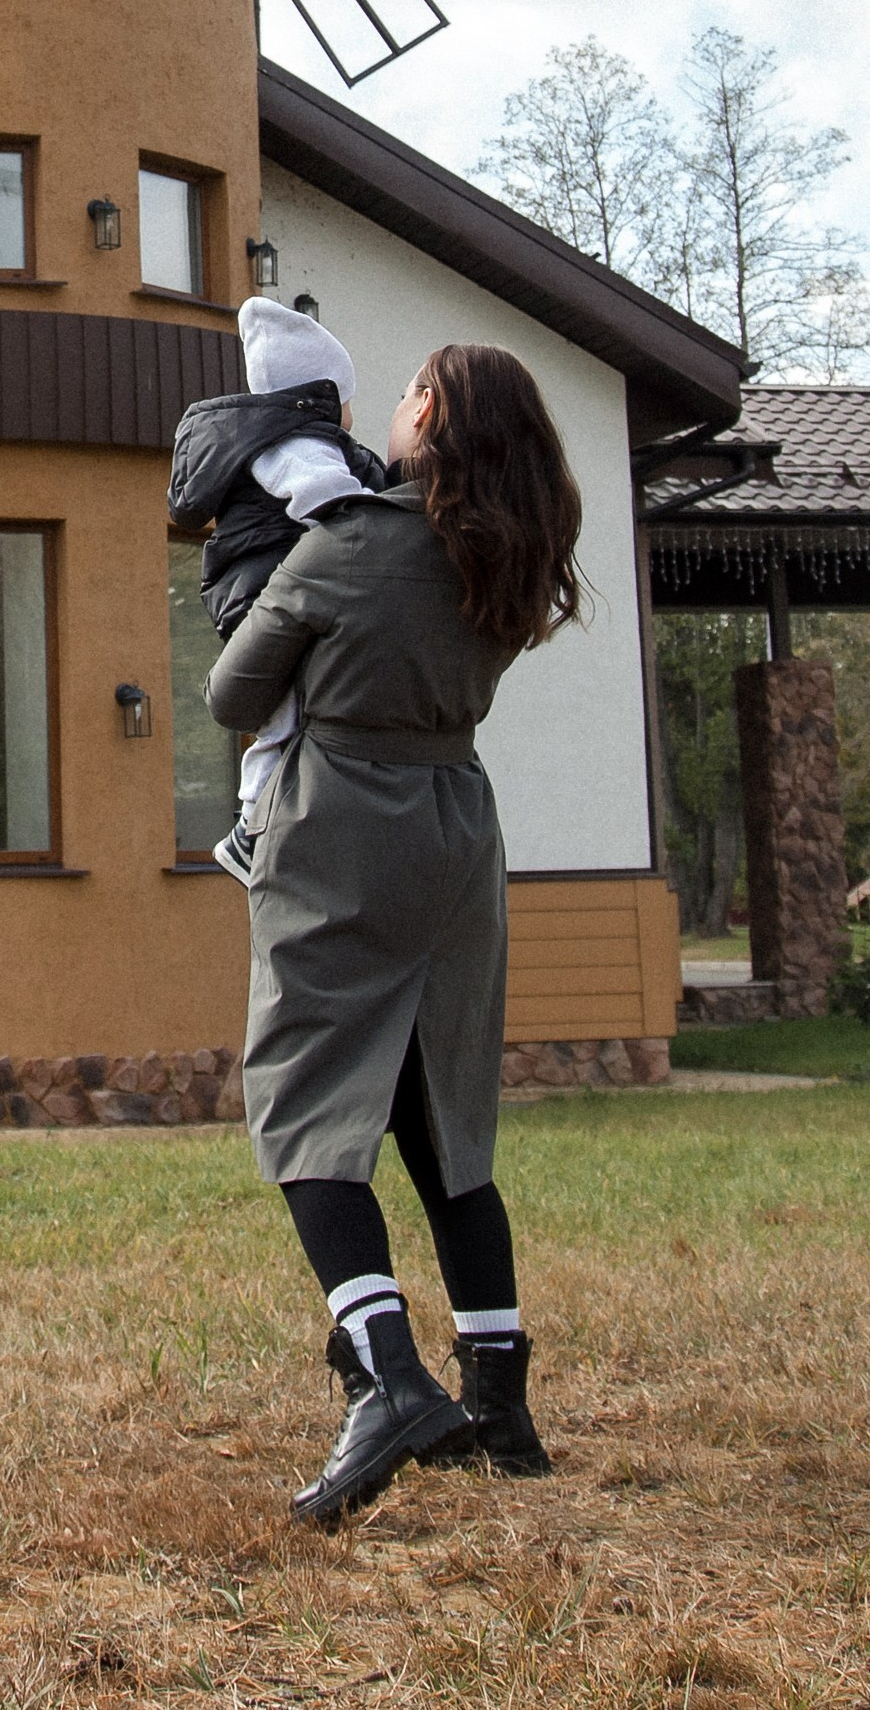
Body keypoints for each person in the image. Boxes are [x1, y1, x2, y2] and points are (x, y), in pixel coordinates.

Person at [204, 341, 585, 1526]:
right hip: (456, 828)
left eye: (418, 390)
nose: (400, 402)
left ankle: (387, 1380)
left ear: (439, 419)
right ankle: (500, 1408)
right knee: (442, 1121)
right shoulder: (511, 556)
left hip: (340, 829)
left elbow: (230, 692)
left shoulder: (352, 542)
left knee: (305, 1107)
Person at [168, 299, 386, 885]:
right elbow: (324, 497)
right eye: (347, 397)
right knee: (283, 717)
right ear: (318, 396)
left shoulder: (289, 439)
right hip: (259, 591)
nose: (353, 412)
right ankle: (249, 829)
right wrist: (381, 524)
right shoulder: (294, 447)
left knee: (286, 715)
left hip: (257, 586)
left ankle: (255, 825)